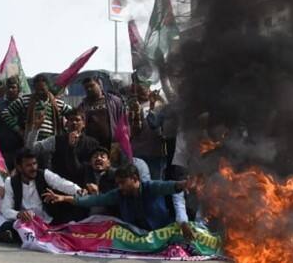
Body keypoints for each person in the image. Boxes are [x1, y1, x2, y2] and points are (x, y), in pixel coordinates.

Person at [45, 164, 188, 232]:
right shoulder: (119, 194)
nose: (120, 187)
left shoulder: (151, 187)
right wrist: (64, 199)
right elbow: (93, 200)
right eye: (118, 183)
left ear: (135, 179)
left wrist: (185, 184)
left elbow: (170, 186)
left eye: (123, 183)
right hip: (136, 233)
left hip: (160, 231)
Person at [1, 148, 82, 225]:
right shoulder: (10, 182)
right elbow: (5, 209)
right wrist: (19, 214)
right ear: (19, 167)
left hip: (47, 222)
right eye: (28, 165)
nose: (33, 168)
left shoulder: (44, 175)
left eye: (35, 163)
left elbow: (63, 184)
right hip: (24, 224)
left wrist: (78, 190)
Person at [24, 109, 99, 185]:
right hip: (60, 186)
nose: (74, 123)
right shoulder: (56, 140)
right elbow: (31, 150)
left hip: (83, 187)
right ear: (66, 124)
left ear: (83, 124)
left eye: (77, 120)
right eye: (71, 120)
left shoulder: (92, 144)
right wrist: (36, 129)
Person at [4, 73, 72, 143]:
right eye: (37, 90)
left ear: (48, 88)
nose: (40, 92)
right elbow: (6, 114)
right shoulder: (25, 100)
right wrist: (19, 130)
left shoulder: (58, 104)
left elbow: (73, 114)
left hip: (52, 144)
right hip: (31, 143)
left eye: (42, 90)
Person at [127, 82, 167, 179]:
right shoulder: (129, 107)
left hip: (155, 152)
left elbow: (159, 125)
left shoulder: (159, 105)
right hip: (137, 152)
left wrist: (154, 104)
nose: (143, 92)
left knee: (156, 181)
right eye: (140, 90)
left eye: (145, 89)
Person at [77, 75, 127, 151]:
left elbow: (123, 122)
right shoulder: (82, 106)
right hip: (92, 146)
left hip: (113, 144)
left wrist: (123, 140)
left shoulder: (115, 101)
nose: (89, 89)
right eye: (86, 88)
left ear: (100, 84)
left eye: (91, 86)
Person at [0, 76, 25, 169]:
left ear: (18, 89)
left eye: (13, 87)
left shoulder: (25, 104)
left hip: (21, 148)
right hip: (3, 149)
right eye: (8, 87)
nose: (11, 90)